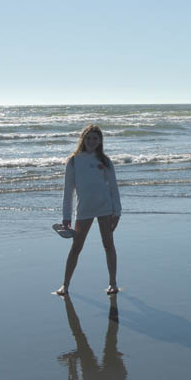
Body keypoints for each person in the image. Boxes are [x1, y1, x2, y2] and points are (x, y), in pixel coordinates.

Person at [55, 124, 122, 296]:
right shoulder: (74, 161)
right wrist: (66, 216)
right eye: (89, 138)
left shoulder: (105, 161)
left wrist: (117, 212)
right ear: (83, 139)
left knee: (108, 245)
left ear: (100, 141)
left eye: (95, 138)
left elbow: (114, 188)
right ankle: (65, 285)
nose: (91, 141)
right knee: (76, 247)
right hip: (84, 210)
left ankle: (113, 284)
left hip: (105, 209)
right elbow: (68, 191)